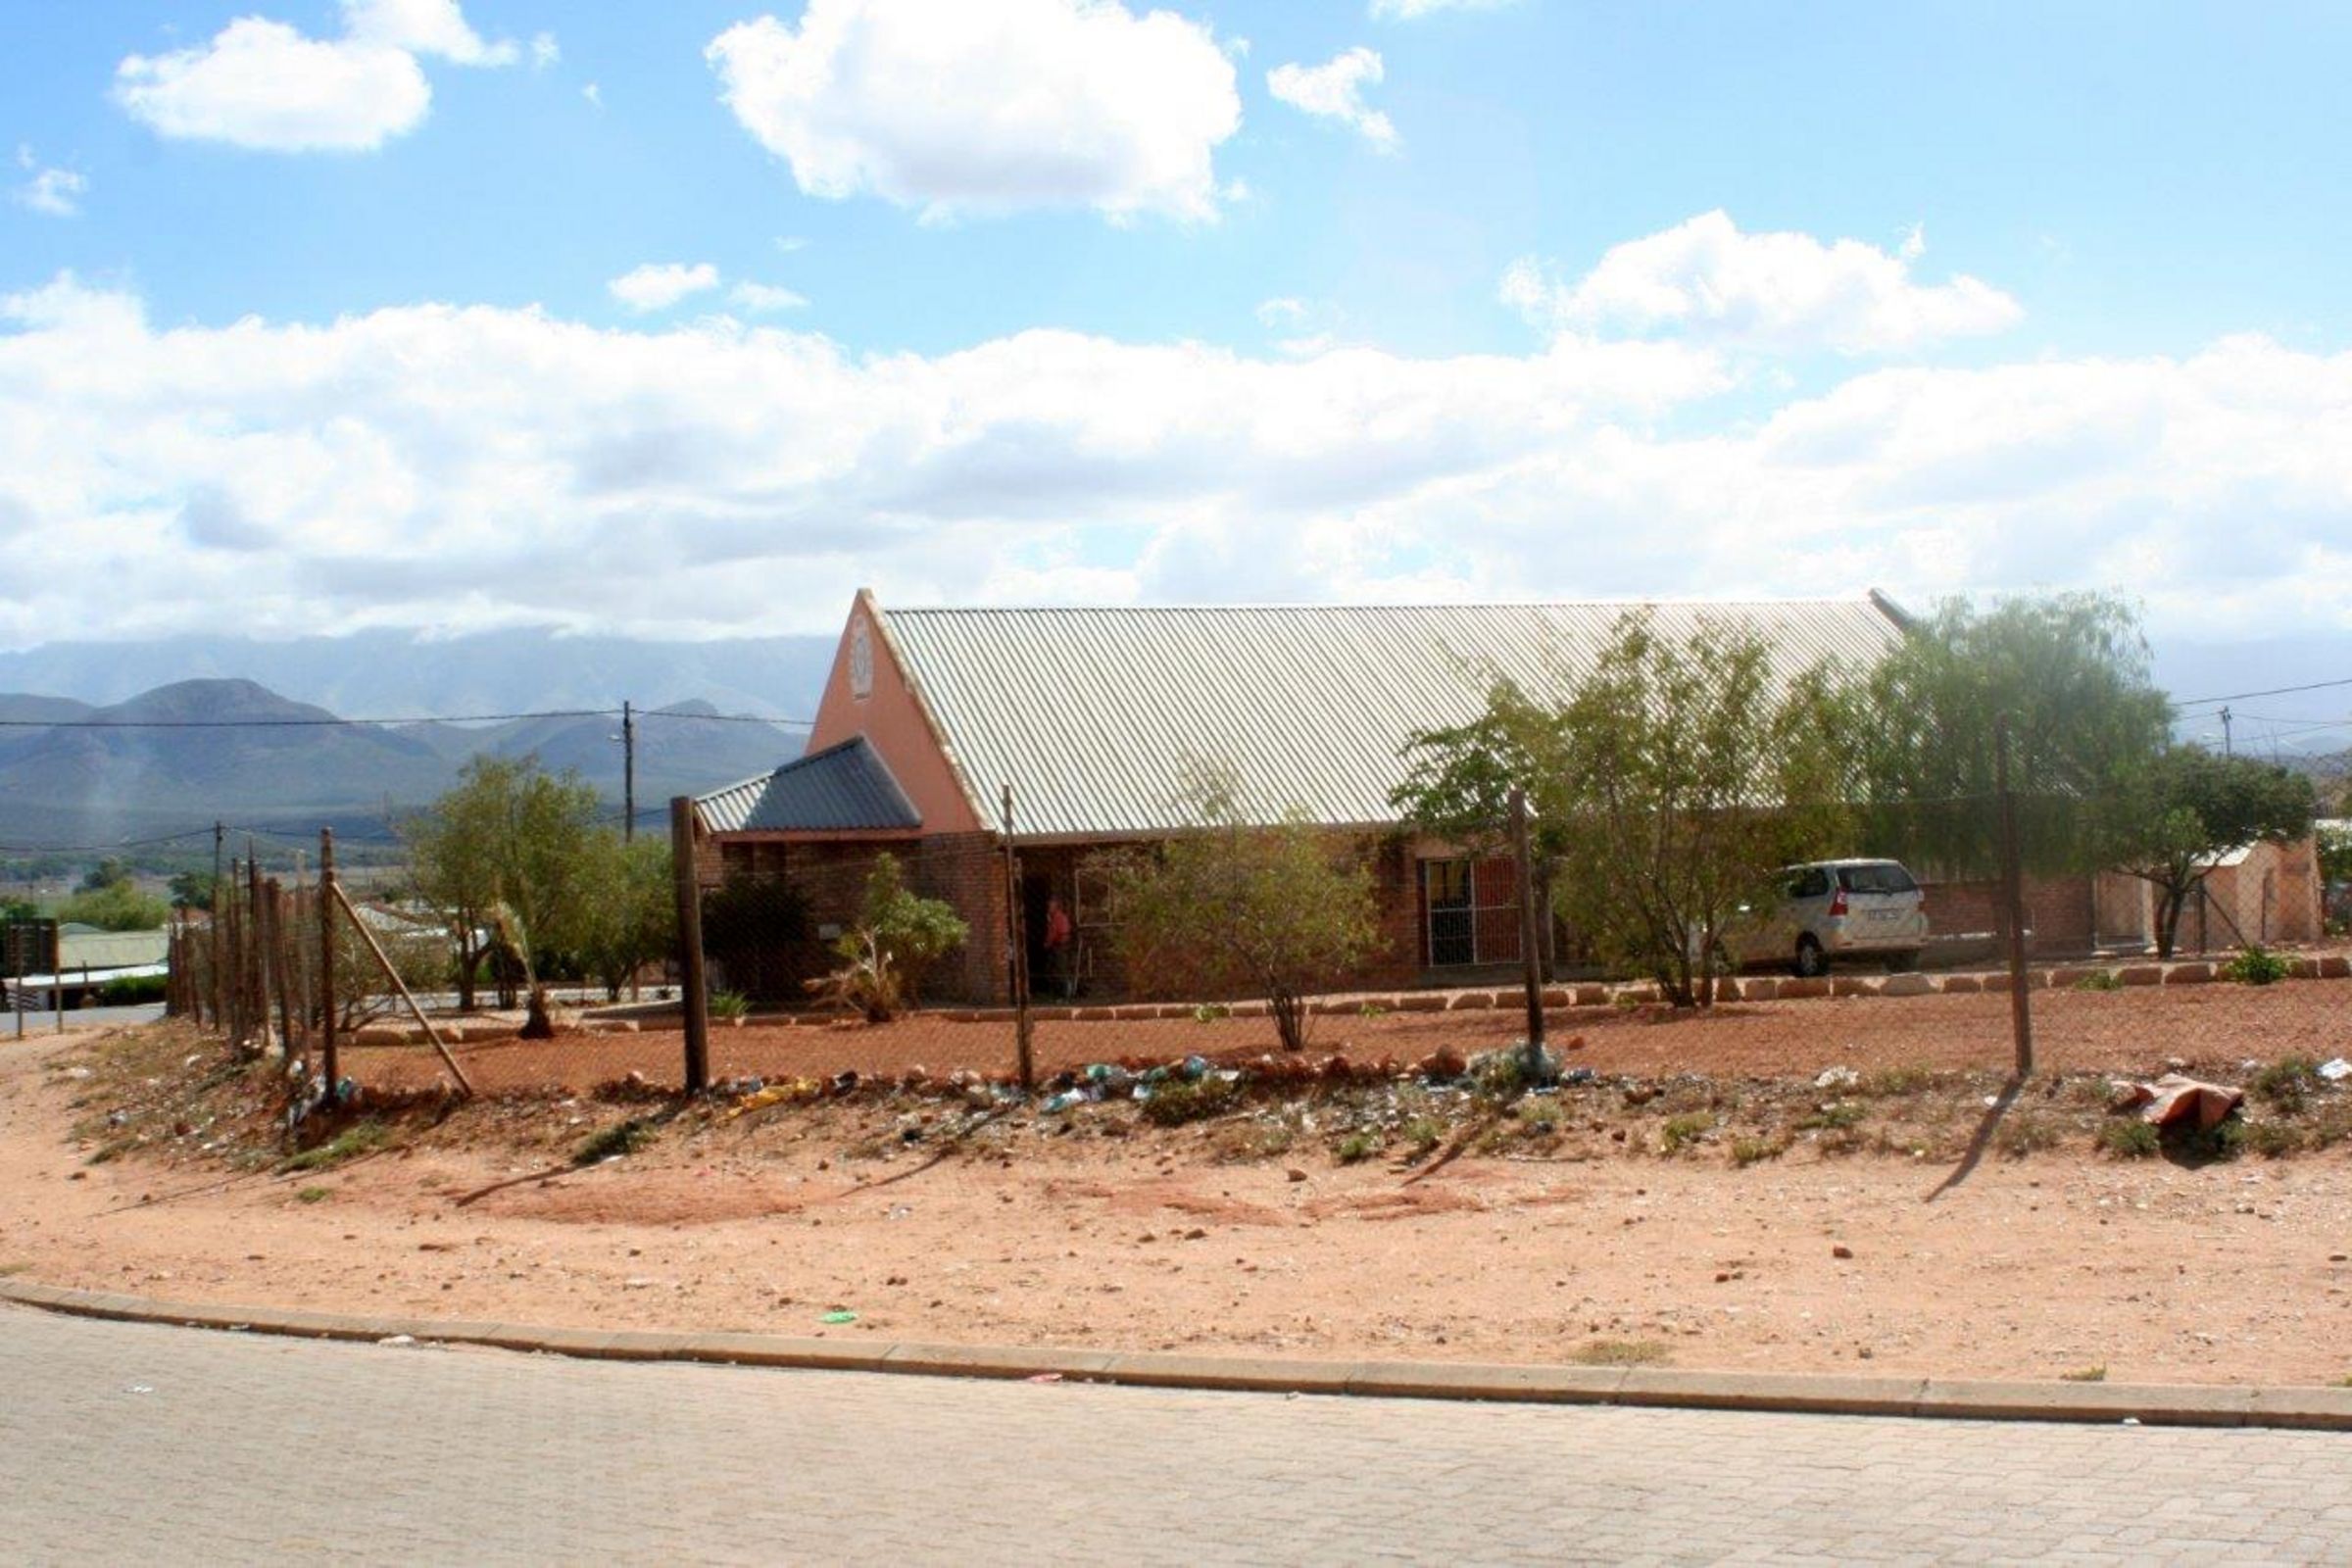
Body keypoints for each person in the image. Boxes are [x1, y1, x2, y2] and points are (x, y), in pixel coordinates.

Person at [1043, 892, 1074, 998]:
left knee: (1060, 969)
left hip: (1060, 945)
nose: (1048, 907)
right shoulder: (1054, 918)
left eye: (1050, 904)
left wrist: (1048, 943)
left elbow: (1054, 933)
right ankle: (1060, 992)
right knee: (1055, 969)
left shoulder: (1058, 918)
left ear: (1056, 905)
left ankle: (1065, 993)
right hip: (1058, 945)